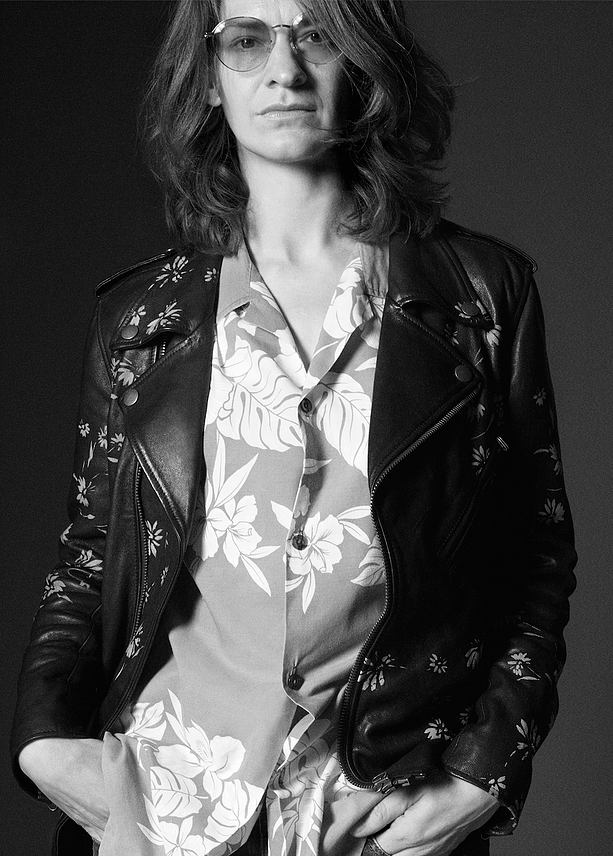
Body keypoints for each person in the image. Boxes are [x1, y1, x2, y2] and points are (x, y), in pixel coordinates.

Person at [11, 2, 577, 855]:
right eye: (246, 39)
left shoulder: (480, 296)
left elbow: (536, 558)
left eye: (315, 34)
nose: (283, 69)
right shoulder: (138, 320)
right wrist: (43, 737)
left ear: (363, 60)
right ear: (209, 77)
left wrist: (484, 770)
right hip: (163, 808)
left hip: (374, 814)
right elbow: (91, 557)